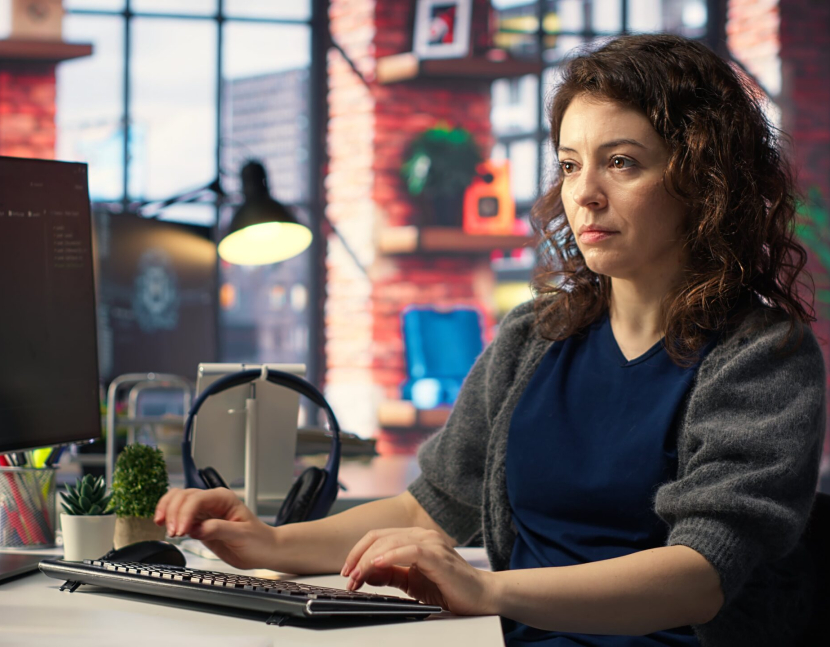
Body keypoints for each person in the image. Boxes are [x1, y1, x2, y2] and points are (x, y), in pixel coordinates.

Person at [154, 34, 826, 646]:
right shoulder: (534, 337)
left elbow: (700, 574)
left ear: (703, 182)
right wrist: (267, 541)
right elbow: (432, 506)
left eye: (620, 162)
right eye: (569, 164)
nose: (584, 194)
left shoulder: (762, 358)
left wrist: (485, 590)